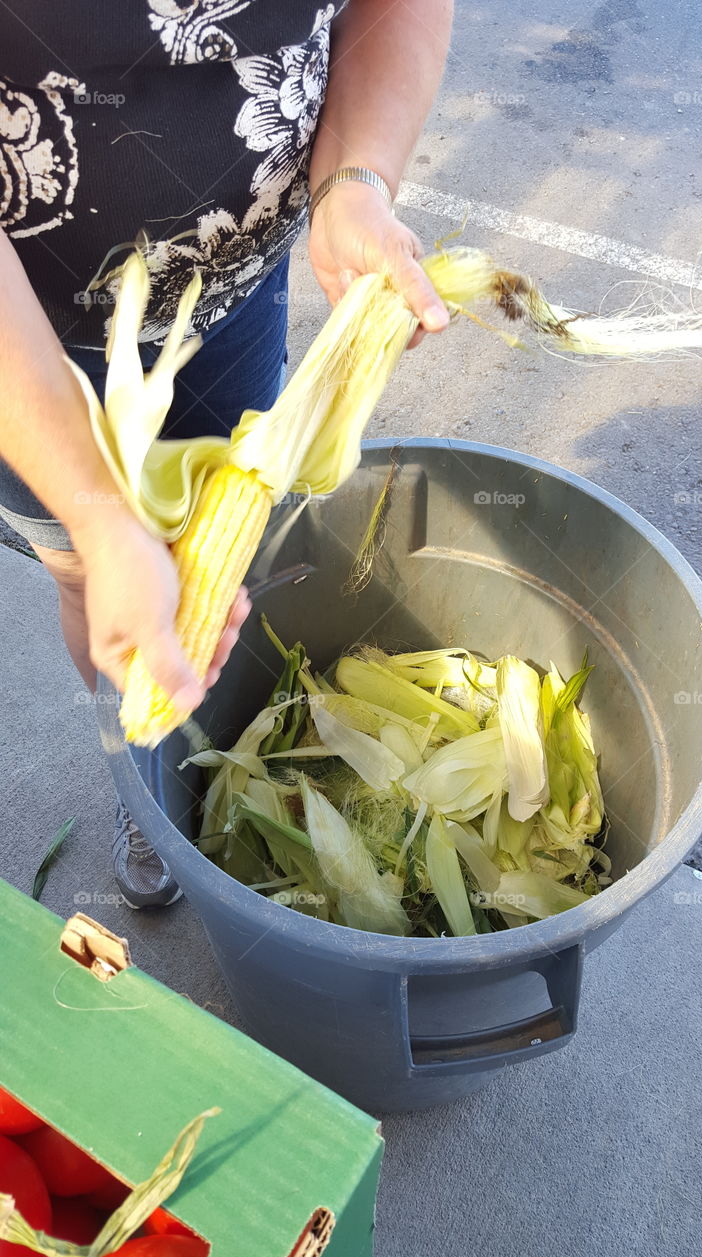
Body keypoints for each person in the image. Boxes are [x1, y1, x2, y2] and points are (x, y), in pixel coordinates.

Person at [0, 0, 453, 905]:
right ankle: (143, 765)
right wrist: (102, 525)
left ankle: (180, 748)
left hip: (235, 287)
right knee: (96, 576)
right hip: (30, 337)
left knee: (227, 550)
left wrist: (353, 179)